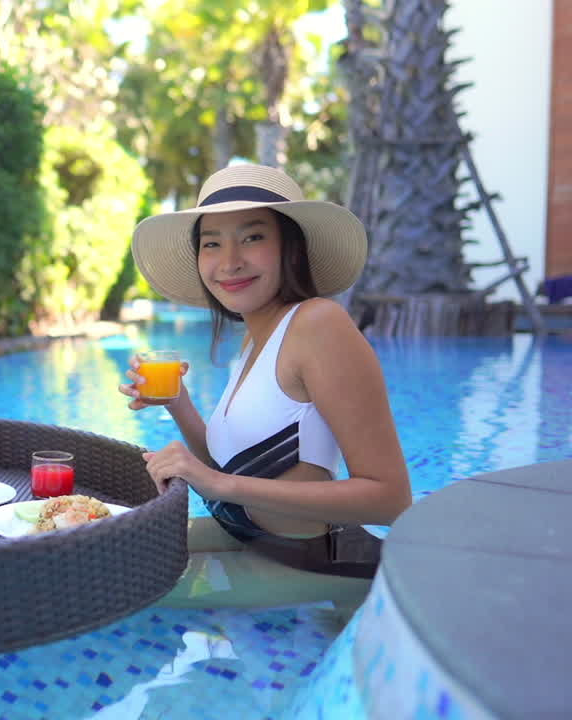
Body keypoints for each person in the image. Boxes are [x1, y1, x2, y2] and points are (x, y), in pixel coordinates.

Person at [122, 164, 412, 610]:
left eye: (253, 237)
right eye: (212, 243)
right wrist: (176, 402)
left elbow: (390, 499)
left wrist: (220, 485)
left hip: (307, 563)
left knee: (112, 593)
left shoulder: (319, 325)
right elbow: (229, 469)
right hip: (243, 536)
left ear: (291, 250)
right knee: (106, 550)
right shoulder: (256, 337)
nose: (229, 260)